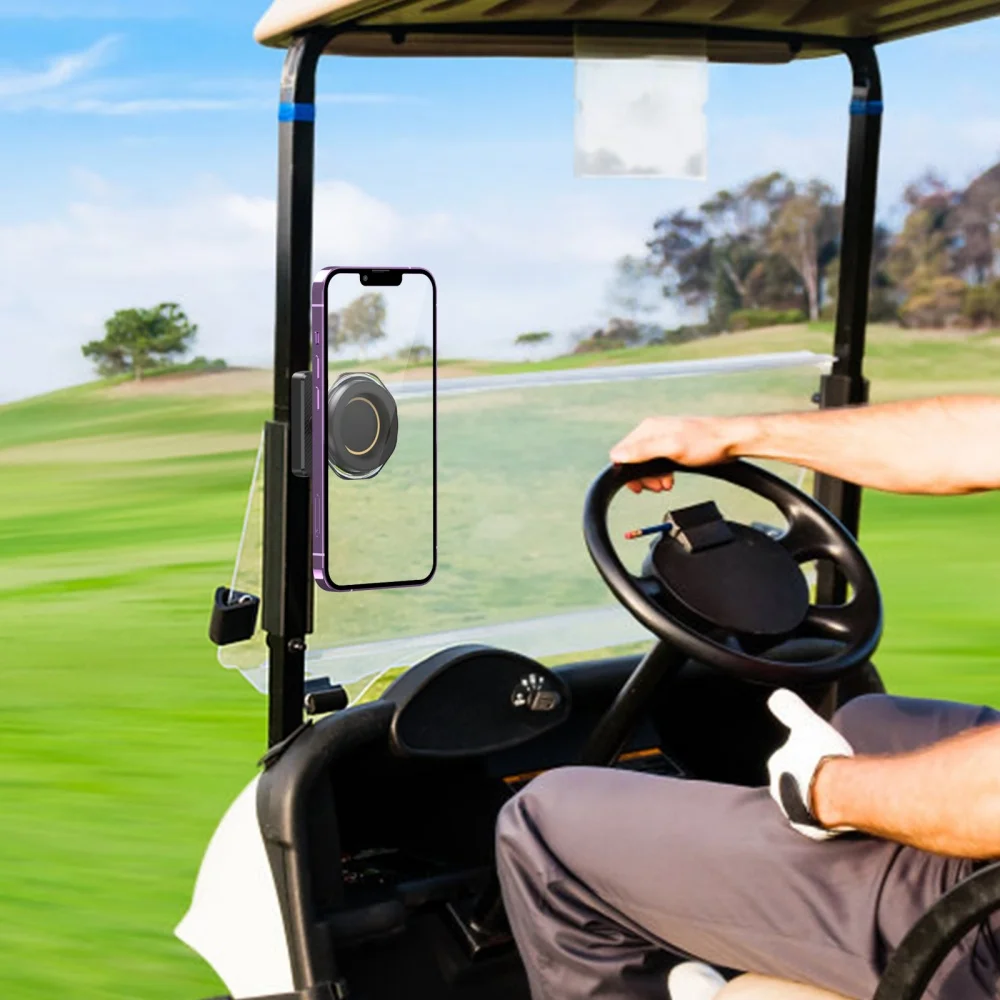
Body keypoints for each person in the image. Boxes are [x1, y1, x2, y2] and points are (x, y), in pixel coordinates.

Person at [495, 395, 1000, 1000]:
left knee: (546, 823)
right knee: (867, 722)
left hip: (984, 921)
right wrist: (737, 435)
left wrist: (826, 790)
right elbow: (977, 436)